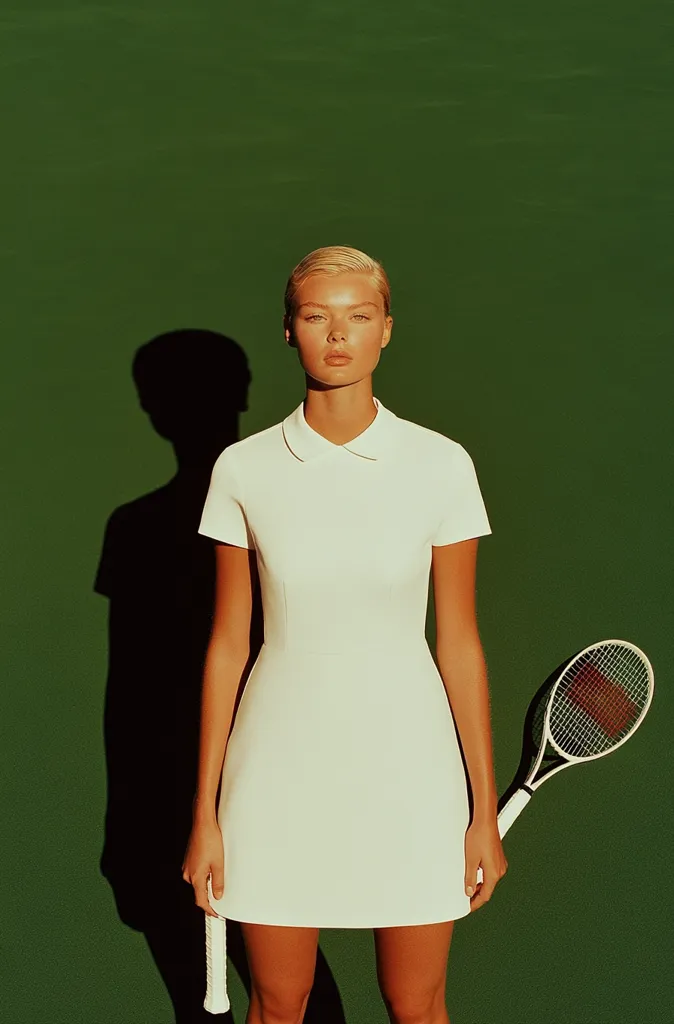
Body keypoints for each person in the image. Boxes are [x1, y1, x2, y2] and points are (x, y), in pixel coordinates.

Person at [182, 245, 508, 1024]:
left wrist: (481, 811)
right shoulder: (241, 469)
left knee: (417, 1002)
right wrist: (205, 813)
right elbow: (229, 644)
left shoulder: (441, 465)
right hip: (274, 778)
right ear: (288, 332)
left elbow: (458, 642)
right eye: (316, 316)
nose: (338, 334)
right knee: (278, 1002)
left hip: (413, 775)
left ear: (386, 330)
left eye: (358, 317)